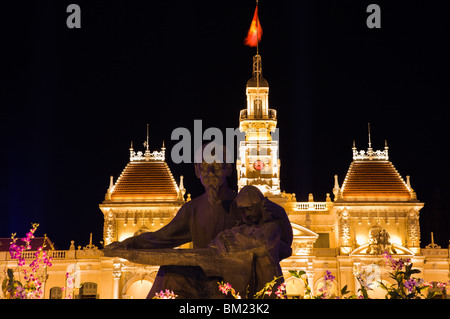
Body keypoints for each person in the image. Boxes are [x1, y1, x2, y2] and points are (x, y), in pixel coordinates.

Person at [105, 143, 241, 298]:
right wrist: (127, 243)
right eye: (204, 166)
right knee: (168, 271)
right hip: (203, 276)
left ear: (228, 168)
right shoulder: (192, 209)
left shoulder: (244, 205)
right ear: (197, 171)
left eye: (216, 166)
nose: (210, 172)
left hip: (234, 277)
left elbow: (272, 217)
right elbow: (160, 238)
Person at [209, 185, 293, 298]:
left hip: (269, 287)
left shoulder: (271, 227)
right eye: (242, 210)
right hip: (245, 288)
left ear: (260, 206)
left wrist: (282, 215)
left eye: (250, 209)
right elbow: (215, 243)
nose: (247, 214)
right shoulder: (240, 229)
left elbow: (262, 244)